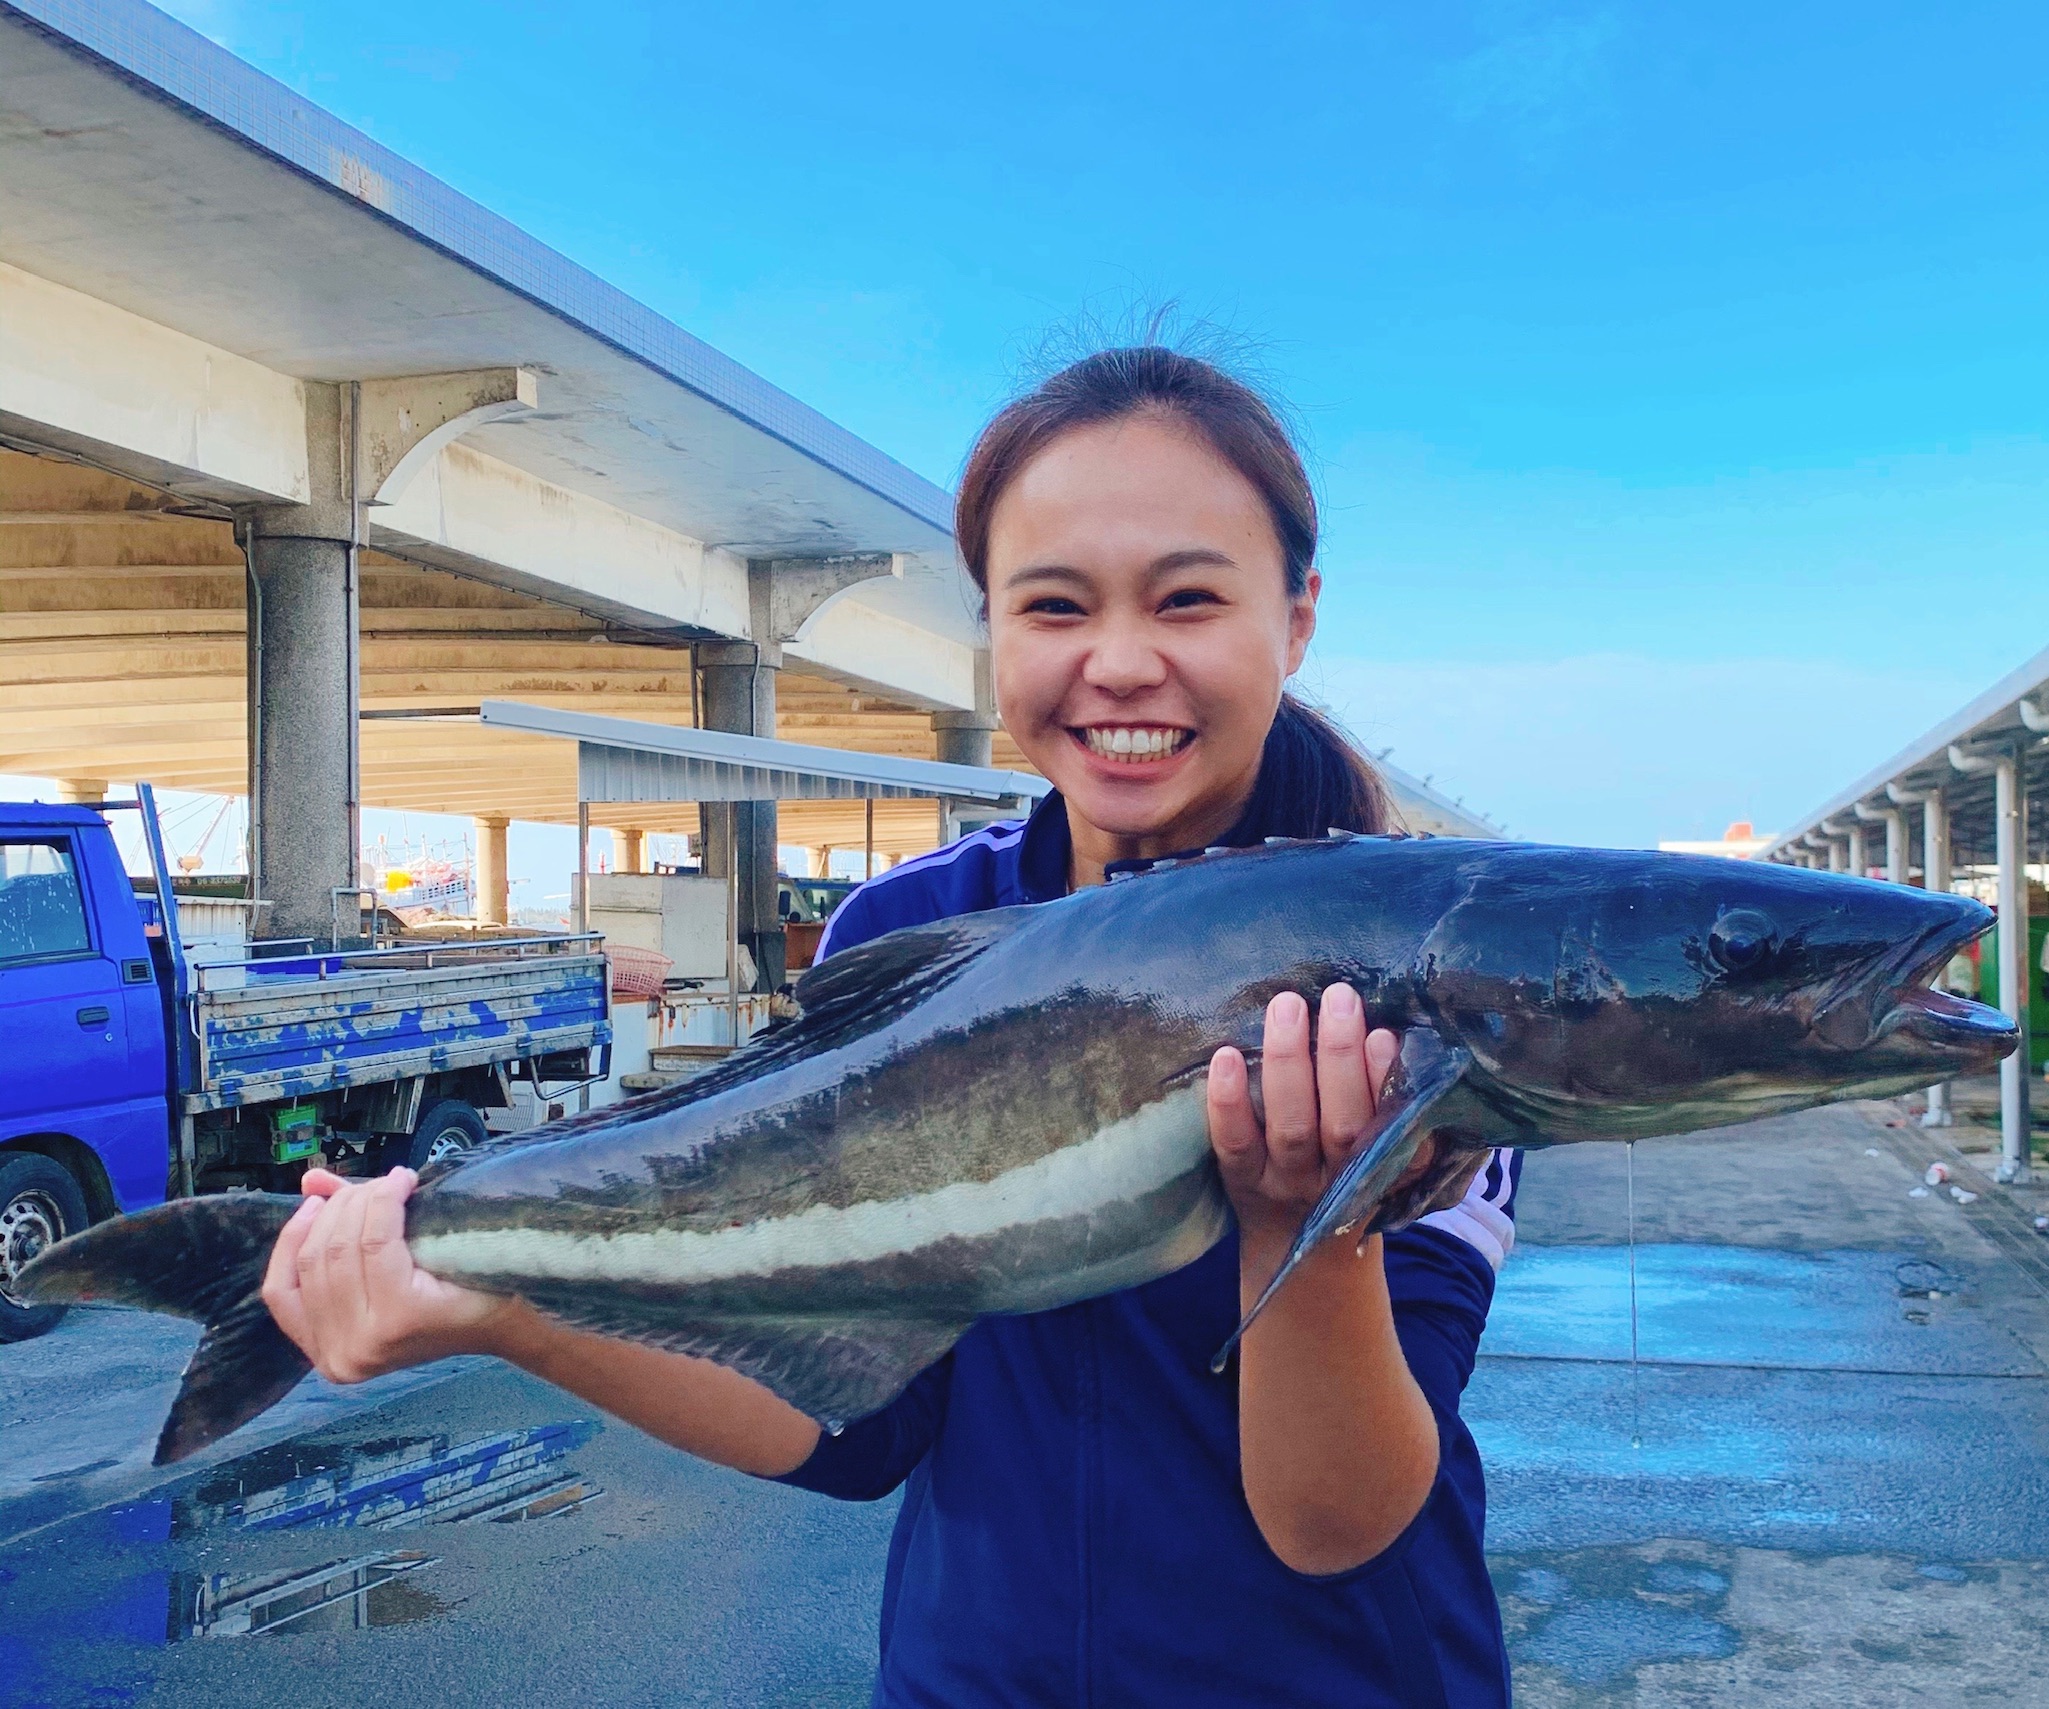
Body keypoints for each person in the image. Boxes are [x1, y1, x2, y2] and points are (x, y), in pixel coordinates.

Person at [263, 346, 1522, 1707]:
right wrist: (502, 1302)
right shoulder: (913, 932)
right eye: (1053, 605)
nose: (1117, 661)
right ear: (993, 629)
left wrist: (1305, 1226)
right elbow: (852, 1416)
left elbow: (1330, 1524)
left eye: (1188, 598)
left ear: (1295, 616)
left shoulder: (1415, 973)